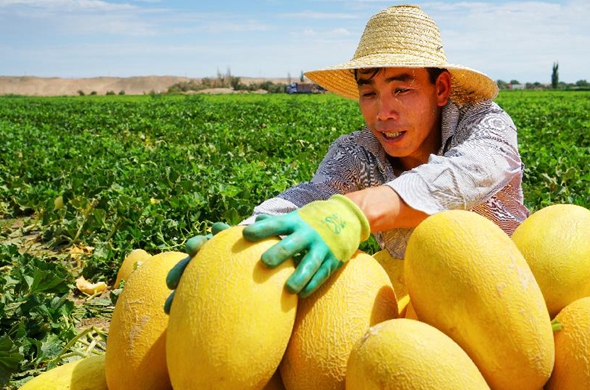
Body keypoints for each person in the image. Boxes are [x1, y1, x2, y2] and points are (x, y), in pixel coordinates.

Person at [164, 4, 528, 313]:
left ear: (441, 89)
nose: (383, 112)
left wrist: (353, 213)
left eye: (402, 89)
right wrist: (241, 239)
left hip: (509, 299)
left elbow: (464, 174)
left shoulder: (486, 124)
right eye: (369, 93)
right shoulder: (356, 152)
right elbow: (308, 199)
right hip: (416, 306)